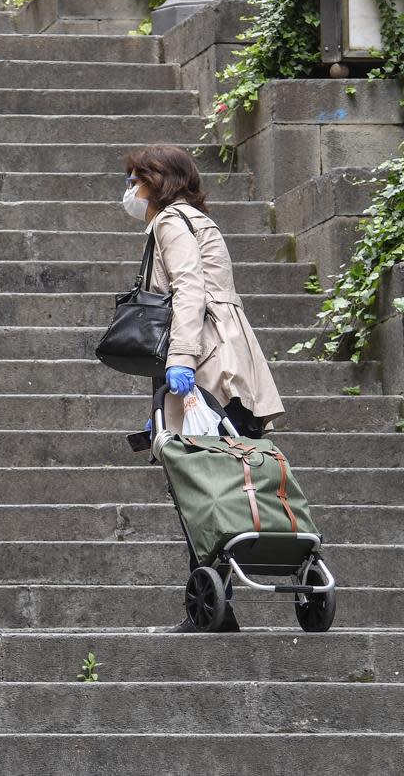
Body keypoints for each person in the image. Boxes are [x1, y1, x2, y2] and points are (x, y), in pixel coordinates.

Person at [121, 144, 285, 633]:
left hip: (207, 362)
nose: (129, 189)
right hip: (229, 357)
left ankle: (211, 603)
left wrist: (181, 363)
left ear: (158, 182)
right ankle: (216, 599)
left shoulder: (172, 222)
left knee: (199, 480)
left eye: (135, 179)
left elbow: (190, 289)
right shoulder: (193, 220)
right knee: (222, 476)